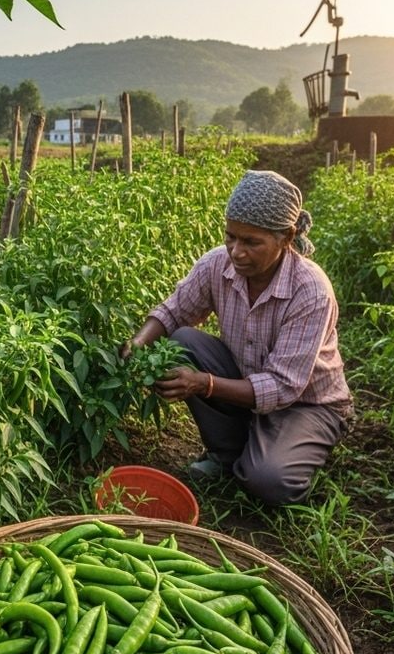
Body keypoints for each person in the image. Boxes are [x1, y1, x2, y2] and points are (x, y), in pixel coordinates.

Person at [121, 169, 352, 505]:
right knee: (184, 341)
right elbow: (174, 311)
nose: (236, 251)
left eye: (251, 242)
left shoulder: (310, 291)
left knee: (269, 481)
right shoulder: (217, 264)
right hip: (248, 384)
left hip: (307, 404)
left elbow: (283, 387)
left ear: (287, 237)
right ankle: (229, 454)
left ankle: (287, 450)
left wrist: (203, 383)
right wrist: (138, 343)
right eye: (231, 236)